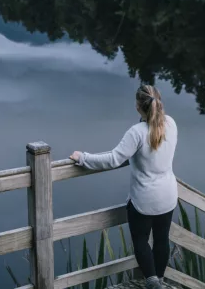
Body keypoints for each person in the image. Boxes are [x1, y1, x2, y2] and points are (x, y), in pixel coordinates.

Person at [70, 85, 178, 289]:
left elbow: (113, 159)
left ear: (138, 107)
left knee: (141, 240)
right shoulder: (171, 124)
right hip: (168, 195)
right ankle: (160, 281)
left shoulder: (136, 133)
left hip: (145, 199)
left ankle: (152, 282)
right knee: (162, 240)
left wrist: (82, 158)